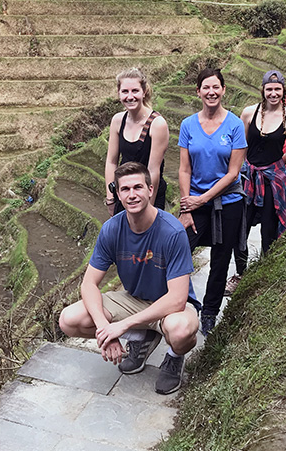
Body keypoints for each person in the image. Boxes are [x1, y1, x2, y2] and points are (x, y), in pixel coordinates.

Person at [58, 161, 199, 395]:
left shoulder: (172, 232)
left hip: (170, 306)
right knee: (69, 320)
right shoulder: (112, 229)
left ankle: (174, 357)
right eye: (125, 189)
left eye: (138, 188)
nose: (132, 195)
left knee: (181, 330)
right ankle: (142, 337)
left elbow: (177, 299)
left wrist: (122, 326)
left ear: (150, 190)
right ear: (118, 194)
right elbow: (89, 283)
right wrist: (106, 331)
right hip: (133, 299)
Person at [177, 68, 247, 336]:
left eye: (216, 87)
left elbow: (233, 173)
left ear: (223, 89)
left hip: (227, 202)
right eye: (206, 87)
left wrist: (203, 199)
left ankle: (209, 313)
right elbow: (184, 169)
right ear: (198, 92)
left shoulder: (234, 125)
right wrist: (187, 206)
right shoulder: (187, 125)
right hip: (193, 201)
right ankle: (184, 304)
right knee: (179, 249)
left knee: (220, 259)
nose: (211, 92)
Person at [230, 70, 286, 287]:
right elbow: (240, 145)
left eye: (277, 89)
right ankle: (240, 273)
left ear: (284, 92)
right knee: (240, 227)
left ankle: (264, 274)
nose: (273, 93)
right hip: (248, 177)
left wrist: (273, 167)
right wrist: (245, 169)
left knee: (269, 228)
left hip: (272, 179)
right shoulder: (249, 113)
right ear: (262, 90)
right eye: (269, 89)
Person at [105, 68, 170, 216]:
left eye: (135, 91)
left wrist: (148, 210)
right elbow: (111, 161)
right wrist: (111, 198)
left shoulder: (157, 124)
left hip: (149, 193)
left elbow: (153, 170)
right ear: (119, 93)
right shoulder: (117, 120)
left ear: (144, 91)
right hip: (125, 192)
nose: (130, 96)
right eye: (125, 92)